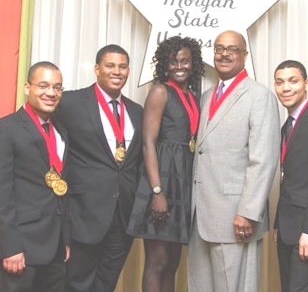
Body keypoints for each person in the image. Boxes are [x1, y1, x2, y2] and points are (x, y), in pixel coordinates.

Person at [188, 30, 280, 291]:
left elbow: (263, 159)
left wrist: (249, 212)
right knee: (199, 285)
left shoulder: (259, 96)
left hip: (235, 217)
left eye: (232, 49)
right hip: (200, 216)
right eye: (219, 49)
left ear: (244, 55)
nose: (224, 54)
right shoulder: (205, 97)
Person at [54, 45, 143, 292]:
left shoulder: (136, 112)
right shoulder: (70, 102)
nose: (117, 71)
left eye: (122, 66)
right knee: (76, 284)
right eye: (110, 65)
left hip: (122, 218)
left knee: (106, 284)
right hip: (83, 214)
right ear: (96, 69)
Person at [127, 36, 204, 292]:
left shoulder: (192, 95)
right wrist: (157, 192)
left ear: (193, 63)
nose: (179, 66)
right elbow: (148, 143)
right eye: (173, 61)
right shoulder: (160, 91)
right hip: (163, 179)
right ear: (164, 64)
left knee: (172, 263)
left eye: (185, 61)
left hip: (184, 180)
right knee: (157, 262)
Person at [0, 61, 69, 292]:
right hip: (21, 248)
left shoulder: (60, 130)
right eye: (43, 85)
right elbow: (2, 194)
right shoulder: (6, 129)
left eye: (57, 87)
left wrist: (65, 239)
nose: (51, 93)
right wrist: (10, 247)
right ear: (28, 88)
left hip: (55, 246)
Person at [273, 60, 308, 292]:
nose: (286, 88)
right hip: (287, 229)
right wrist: (279, 224)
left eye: (293, 81)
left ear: (306, 84)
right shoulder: (285, 127)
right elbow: (288, 180)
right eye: (280, 82)